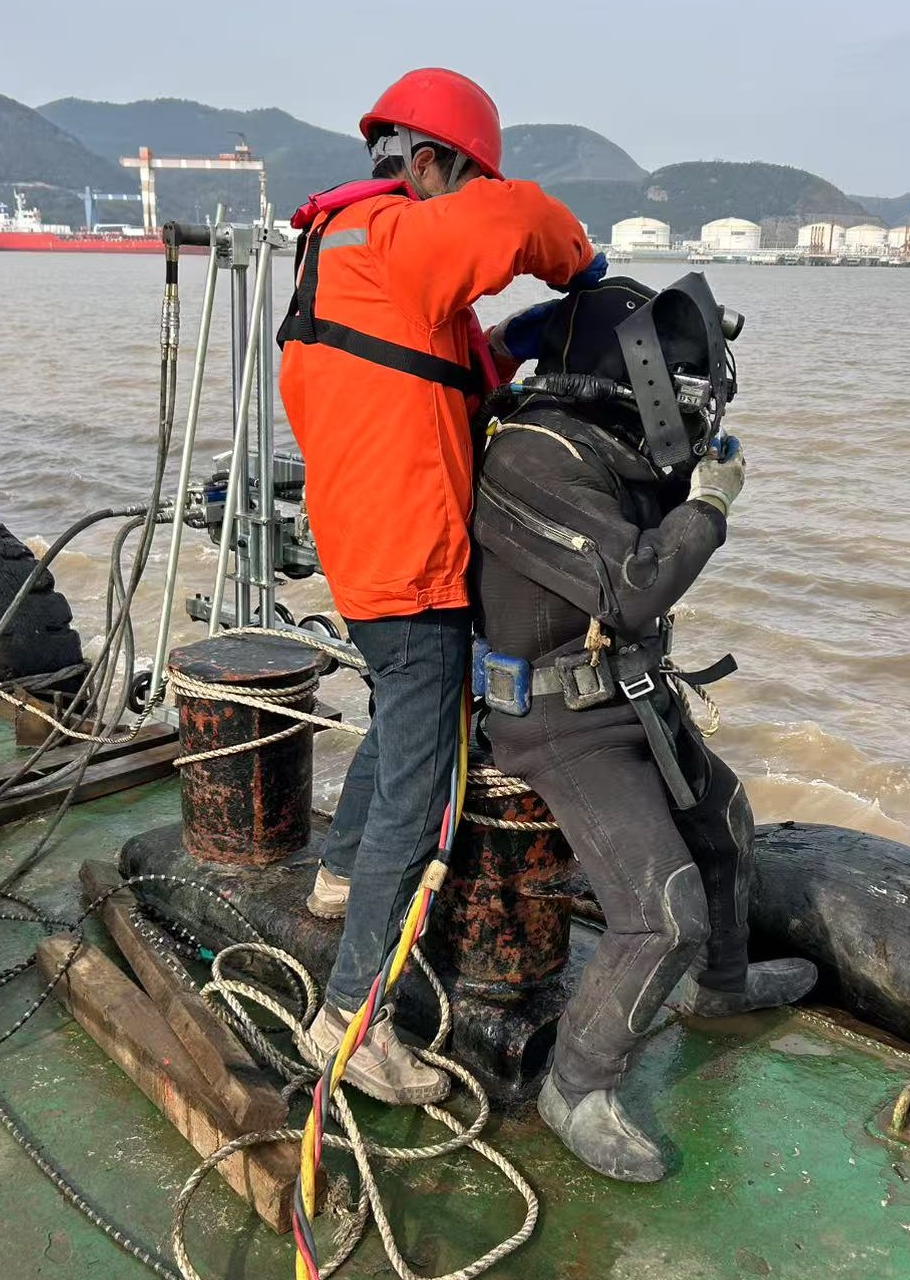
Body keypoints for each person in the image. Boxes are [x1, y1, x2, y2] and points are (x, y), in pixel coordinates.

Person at [277, 68, 603, 1105]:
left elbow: (450, 369)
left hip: (368, 557)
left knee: (400, 720)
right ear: (424, 165)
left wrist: (515, 346)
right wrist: (585, 271)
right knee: (422, 786)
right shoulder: (384, 239)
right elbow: (519, 219)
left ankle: (335, 874)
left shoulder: (346, 261)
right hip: (409, 568)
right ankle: (348, 1018)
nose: (464, 201)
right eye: (457, 182)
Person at [471, 275, 817, 1181]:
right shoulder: (531, 457)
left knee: (728, 825)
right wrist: (708, 506)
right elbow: (633, 590)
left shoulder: (603, 444)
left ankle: (722, 989)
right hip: (554, 719)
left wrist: (686, 481)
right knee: (663, 911)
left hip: (623, 696)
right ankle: (576, 1085)